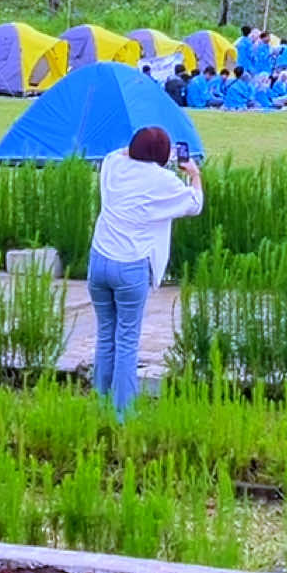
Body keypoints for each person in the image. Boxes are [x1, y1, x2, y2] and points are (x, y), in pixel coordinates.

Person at [87, 126, 203, 418]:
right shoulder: (163, 180)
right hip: (131, 266)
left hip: (99, 260)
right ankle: (123, 414)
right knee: (127, 339)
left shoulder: (112, 165)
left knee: (105, 335)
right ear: (163, 156)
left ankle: (100, 405)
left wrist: (138, 150)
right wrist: (194, 175)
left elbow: (119, 152)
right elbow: (194, 204)